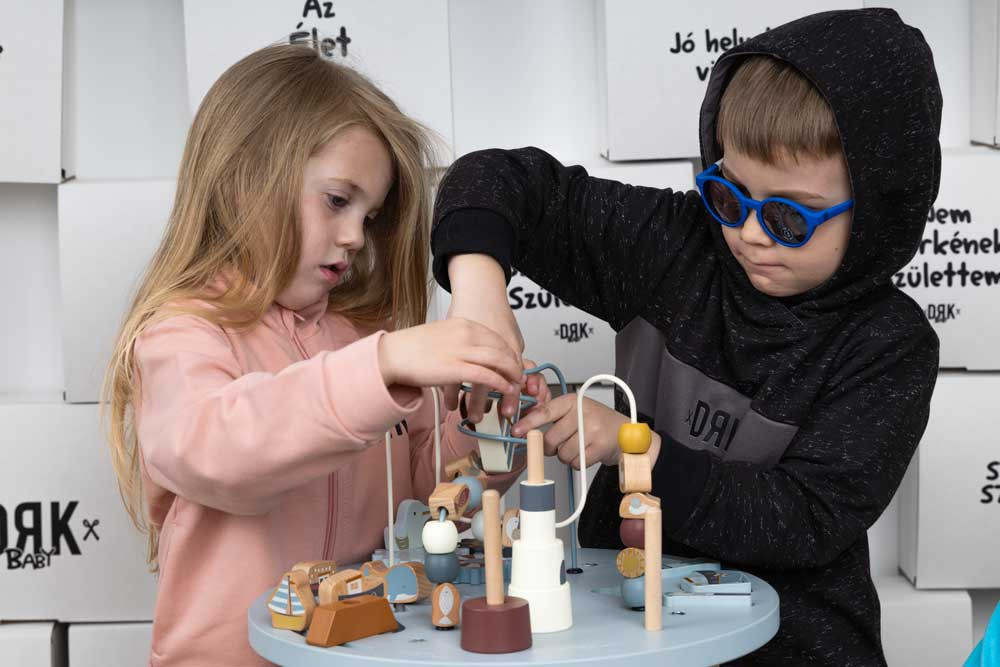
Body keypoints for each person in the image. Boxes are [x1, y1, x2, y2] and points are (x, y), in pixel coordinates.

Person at [432, 9, 941, 665]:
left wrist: (635, 449)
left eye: (790, 217)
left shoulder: (889, 345)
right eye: (729, 195)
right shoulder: (674, 247)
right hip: (626, 635)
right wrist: (478, 295)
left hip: (794, 646)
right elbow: (498, 178)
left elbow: (804, 521)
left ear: (879, 208)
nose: (749, 234)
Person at [103, 44, 537, 666]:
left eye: (370, 215)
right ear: (245, 178)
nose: (356, 236)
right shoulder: (183, 332)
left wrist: (488, 428)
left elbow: (424, 493)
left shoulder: (364, 335)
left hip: (364, 651)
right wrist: (380, 366)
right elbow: (218, 451)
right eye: (338, 200)